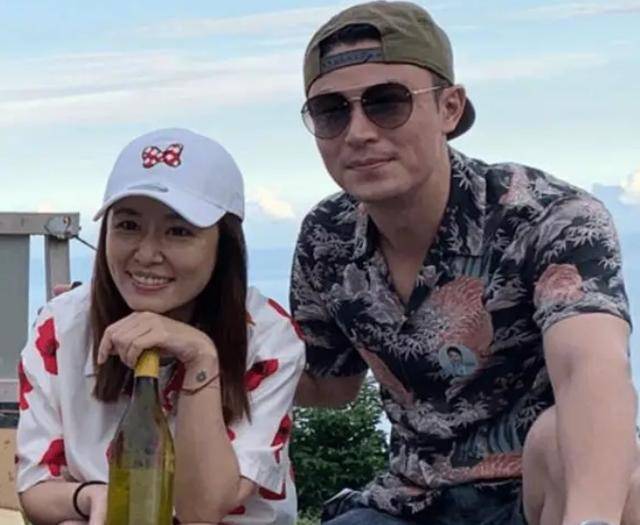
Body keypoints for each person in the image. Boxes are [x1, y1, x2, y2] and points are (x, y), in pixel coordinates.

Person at [289, 2, 639, 524]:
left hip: (536, 496)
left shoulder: (548, 217)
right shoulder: (327, 237)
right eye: (331, 111)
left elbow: (589, 367)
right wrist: (205, 352)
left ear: (449, 108)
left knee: (570, 445)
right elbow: (331, 384)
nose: (358, 132)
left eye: (387, 102)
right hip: (411, 501)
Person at [16, 128, 305, 525]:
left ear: (224, 245)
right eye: (128, 226)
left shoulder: (268, 337)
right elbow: (35, 486)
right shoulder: (62, 325)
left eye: (179, 231)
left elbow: (201, 511)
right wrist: (93, 497)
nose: (147, 254)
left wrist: (201, 358)